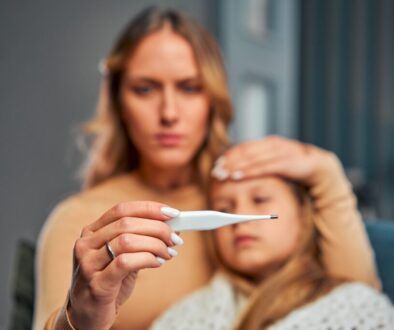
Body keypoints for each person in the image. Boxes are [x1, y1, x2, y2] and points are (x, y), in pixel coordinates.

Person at [33, 7, 380, 330]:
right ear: (120, 102)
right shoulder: (80, 224)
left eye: (189, 87)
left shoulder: (246, 189)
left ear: (213, 100)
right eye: (145, 89)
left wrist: (326, 173)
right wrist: (79, 318)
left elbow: (356, 305)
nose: (169, 112)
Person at [151, 166, 393, 329]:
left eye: (260, 200)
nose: (240, 218)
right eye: (223, 210)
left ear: (303, 216)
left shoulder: (357, 306)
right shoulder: (182, 317)